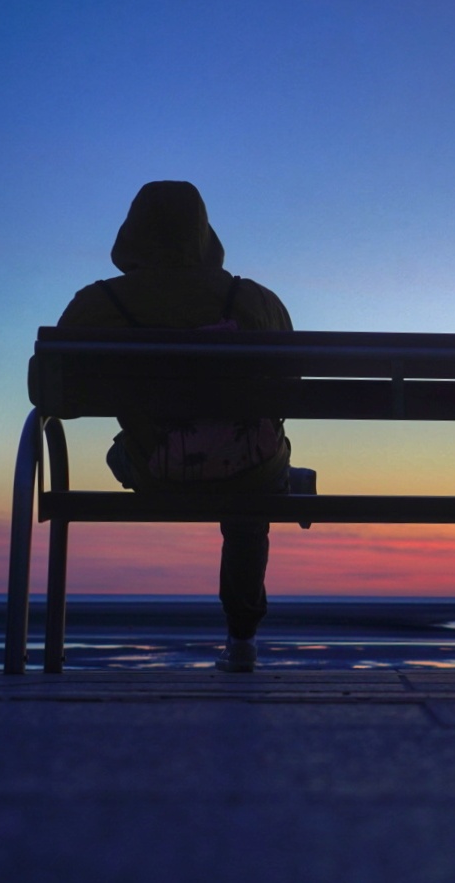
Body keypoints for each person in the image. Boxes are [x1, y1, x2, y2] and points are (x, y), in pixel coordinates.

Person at [57, 180, 298, 673]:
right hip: (247, 469)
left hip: (156, 466)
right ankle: (242, 636)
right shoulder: (254, 301)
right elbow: (290, 384)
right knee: (255, 475)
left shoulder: (99, 304)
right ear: (205, 233)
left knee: (118, 451)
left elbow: (54, 394)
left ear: (132, 232)